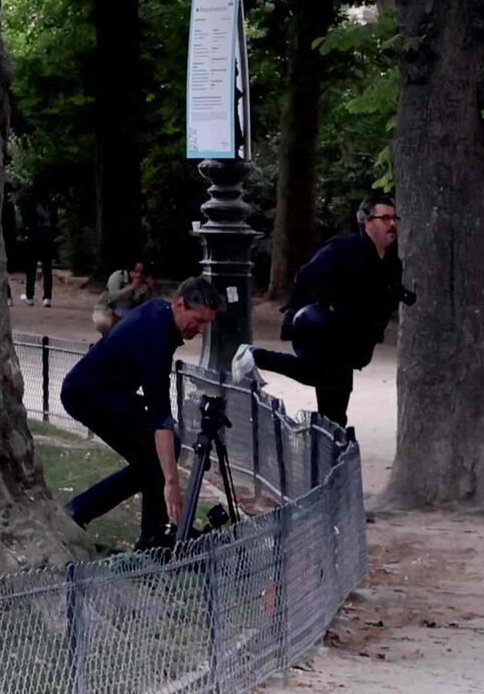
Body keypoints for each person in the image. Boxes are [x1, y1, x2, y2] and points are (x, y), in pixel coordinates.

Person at [59, 270, 218, 552]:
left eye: (208, 323)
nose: (202, 329)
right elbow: (160, 417)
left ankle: (93, 516)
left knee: (153, 460)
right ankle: (151, 535)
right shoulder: (155, 337)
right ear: (180, 305)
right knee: (157, 457)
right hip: (88, 395)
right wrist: (171, 482)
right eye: (199, 320)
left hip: (111, 392)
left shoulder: (160, 313)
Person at [251, 192, 406, 428]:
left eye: (395, 219)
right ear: (367, 221)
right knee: (333, 403)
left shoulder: (391, 261)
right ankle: (332, 455)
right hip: (323, 333)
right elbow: (306, 275)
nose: (392, 224)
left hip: (351, 344)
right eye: (385, 219)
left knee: (317, 380)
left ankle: (253, 356)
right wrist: (294, 312)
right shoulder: (346, 247)